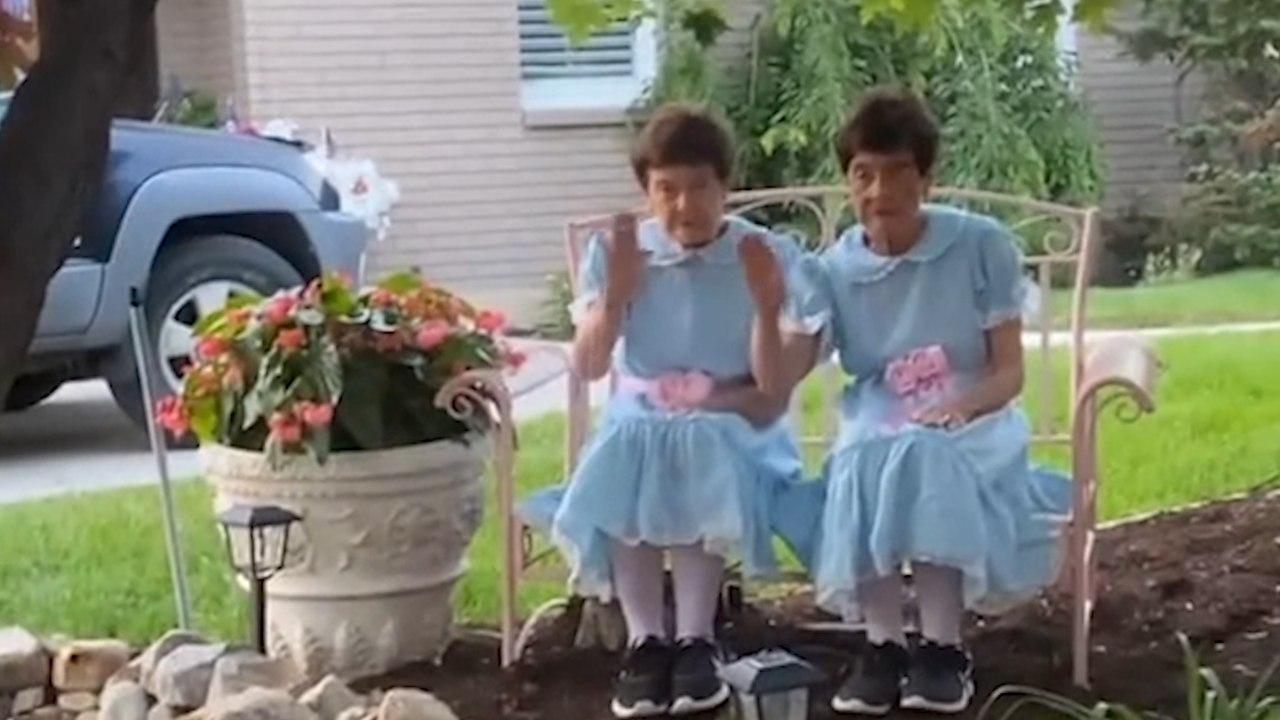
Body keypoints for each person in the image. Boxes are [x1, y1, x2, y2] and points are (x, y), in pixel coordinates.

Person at [757, 89, 1071, 715]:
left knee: (927, 454)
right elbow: (784, 376)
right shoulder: (833, 270)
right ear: (847, 180)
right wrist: (775, 312)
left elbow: (1008, 372)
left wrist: (961, 408)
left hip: (974, 409)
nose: (880, 192)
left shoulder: (980, 246)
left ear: (927, 177)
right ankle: (883, 645)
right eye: (863, 174)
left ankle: (942, 647)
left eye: (899, 172)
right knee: (860, 457)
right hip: (881, 409)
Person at [521, 104, 813, 719]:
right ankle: (646, 640)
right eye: (666, 190)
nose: (684, 206)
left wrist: (765, 305)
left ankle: (696, 638)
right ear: (647, 192)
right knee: (633, 445)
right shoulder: (622, 253)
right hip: (645, 415)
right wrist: (620, 293)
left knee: (692, 442)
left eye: (699, 187)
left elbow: (768, 382)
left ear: (725, 187)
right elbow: (591, 365)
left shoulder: (760, 253)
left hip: (736, 422)